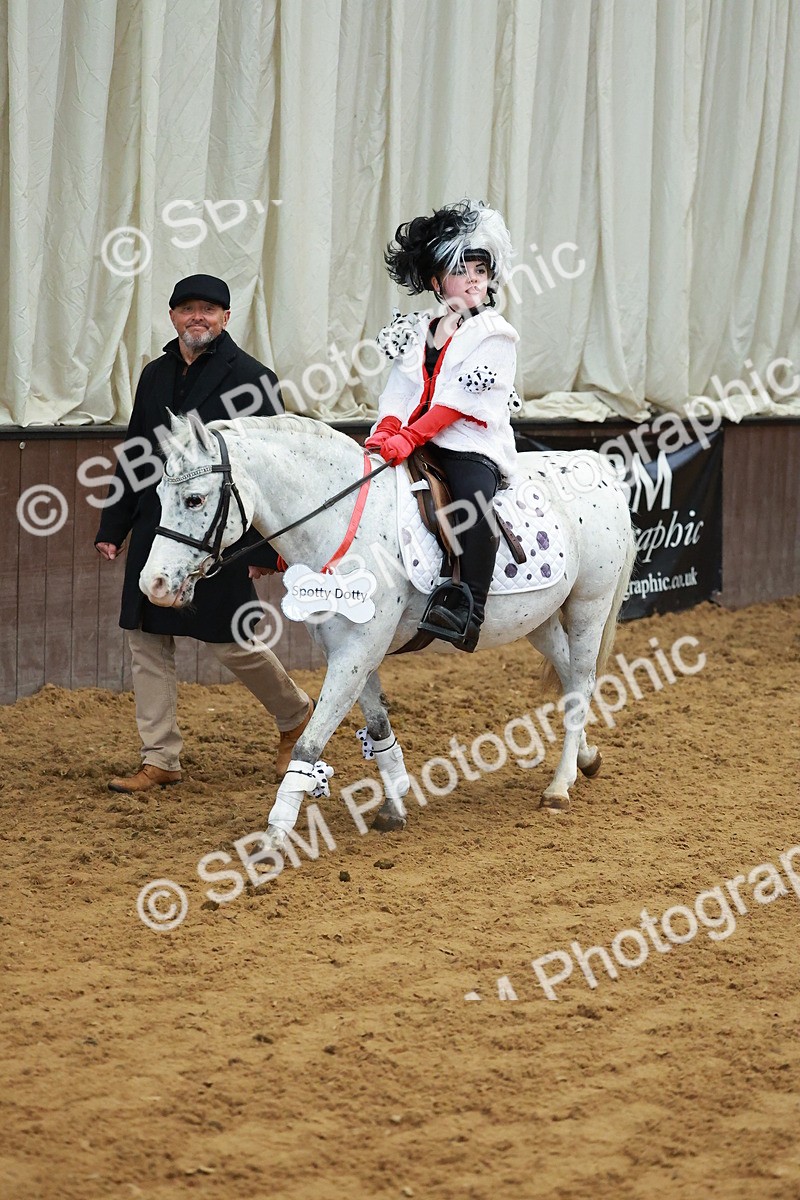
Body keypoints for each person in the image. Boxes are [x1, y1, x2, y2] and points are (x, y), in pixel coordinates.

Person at [95, 273, 313, 792]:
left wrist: (263, 551)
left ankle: (294, 714)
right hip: (157, 528)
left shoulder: (254, 378)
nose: (198, 317)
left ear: (226, 318)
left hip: (220, 536)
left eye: (209, 309)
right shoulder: (153, 375)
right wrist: (114, 524)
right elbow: (136, 452)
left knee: (230, 641)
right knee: (145, 639)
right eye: (188, 308)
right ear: (173, 316)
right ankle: (160, 758)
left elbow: (271, 470)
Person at [366, 199, 519, 653]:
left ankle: (470, 608)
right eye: (460, 270)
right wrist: (387, 428)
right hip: (412, 440)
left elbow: (458, 403)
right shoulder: (417, 330)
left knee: (473, 504)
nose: (473, 279)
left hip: (470, 444)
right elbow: (401, 388)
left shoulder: (496, 333)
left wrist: (410, 436)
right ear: (436, 282)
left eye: (480, 270)